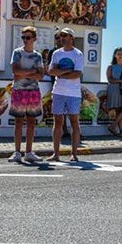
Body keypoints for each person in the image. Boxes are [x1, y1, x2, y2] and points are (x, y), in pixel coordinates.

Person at [8, 26, 44, 163]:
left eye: (28, 37)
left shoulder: (38, 55)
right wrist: (32, 72)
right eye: (23, 37)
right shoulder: (17, 52)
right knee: (18, 122)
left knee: (31, 122)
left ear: (34, 39)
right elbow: (15, 71)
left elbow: (41, 75)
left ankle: (29, 152)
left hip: (33, 91)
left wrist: (24, 73)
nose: (25, 40)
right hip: (19, 90)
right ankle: (17, 152)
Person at [47, 27, 84, 162]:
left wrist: (60, 73)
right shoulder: (56, 53)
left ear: (71, 38)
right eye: (61, 35)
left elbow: (77, 74)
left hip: (73, 93)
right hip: (58, 91)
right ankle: (56, 153)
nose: (62, 38)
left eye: (65, 35)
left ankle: (74, 153)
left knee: (74, 122)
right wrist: (66, 71)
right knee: (57, 122)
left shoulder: (78, 54)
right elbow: (51, 71)